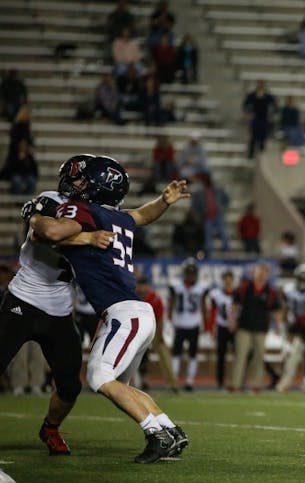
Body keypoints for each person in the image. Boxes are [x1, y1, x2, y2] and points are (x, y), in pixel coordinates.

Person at [28, 156, 191, 462]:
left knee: (99, 376)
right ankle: (169, 429)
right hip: (134, 313)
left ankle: (156, 434)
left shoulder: (85, 210)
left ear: (98, 187)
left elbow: (50, 233)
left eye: (83, 180)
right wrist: (164, 201)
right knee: (121, 384)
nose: (77, 185)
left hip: (124, 312)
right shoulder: (116, 217)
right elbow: (142, 214)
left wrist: (34, 216)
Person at [2, 155, 112, 455]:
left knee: (69, 386)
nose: (84, 186)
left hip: (60, 309)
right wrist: (89, 237)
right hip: (23, 299)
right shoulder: (52, 200)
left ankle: (50, 428)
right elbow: (45, 234)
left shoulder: (96, 212)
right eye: (81, 180)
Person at [229, 262, 282, 392]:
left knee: (259, 357)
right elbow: (235, 305)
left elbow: (276, 310)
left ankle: (256, 384)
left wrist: (278, 326)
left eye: (264, 272)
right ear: (254, 273)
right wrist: (232, 320)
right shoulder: (245, 288)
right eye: (259, 271)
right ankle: (236, 384)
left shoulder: (270, 292)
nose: (261, 274)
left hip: (261, 328)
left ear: (268, 275)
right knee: (240, 356)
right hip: (244, 326)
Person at [168, 259, 208, 391]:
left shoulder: (201, 287)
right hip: (179, 323)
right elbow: (171, 303)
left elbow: (203, 305)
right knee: (176, 353)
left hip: (194, 323)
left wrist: (205, 321)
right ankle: (174, 379)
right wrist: (169, 319)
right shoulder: (176, 286)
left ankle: (190, 380)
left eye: (193, 273)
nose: (190, 276)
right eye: (188, 273)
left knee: (193, 353)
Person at [134, 276, 179, 392]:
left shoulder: (154, 298)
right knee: (131, 356)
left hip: (152, 330)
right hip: (136, 331)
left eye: (143, 285)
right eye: (140, 285)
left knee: (164, 352)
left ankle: (172, 383)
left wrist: (159, 336)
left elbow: (160, 319)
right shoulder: (132, 296)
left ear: (147, 286)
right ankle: (130, 382)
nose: (141, 288)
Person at [209, 270, 236, 390]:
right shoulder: (216, 294)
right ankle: (220, 382)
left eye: (229, 279)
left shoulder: (238, 294)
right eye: (226, 279)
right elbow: (213, 312)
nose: (228, 282)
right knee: (221, 355)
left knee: (238, 355)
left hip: (235, 328)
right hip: (222, 327)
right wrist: (212, 328)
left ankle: (236, 380)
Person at [243, 80, 277, 159]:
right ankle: (250, 156)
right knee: (254, 138)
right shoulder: (253, 95)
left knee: (263, 138)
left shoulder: (267, 96)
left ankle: (262, 156)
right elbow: (245, 105)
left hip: (264, 119)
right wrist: (249, 112)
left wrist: (271, 114)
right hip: (255, 119)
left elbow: (275, 105)